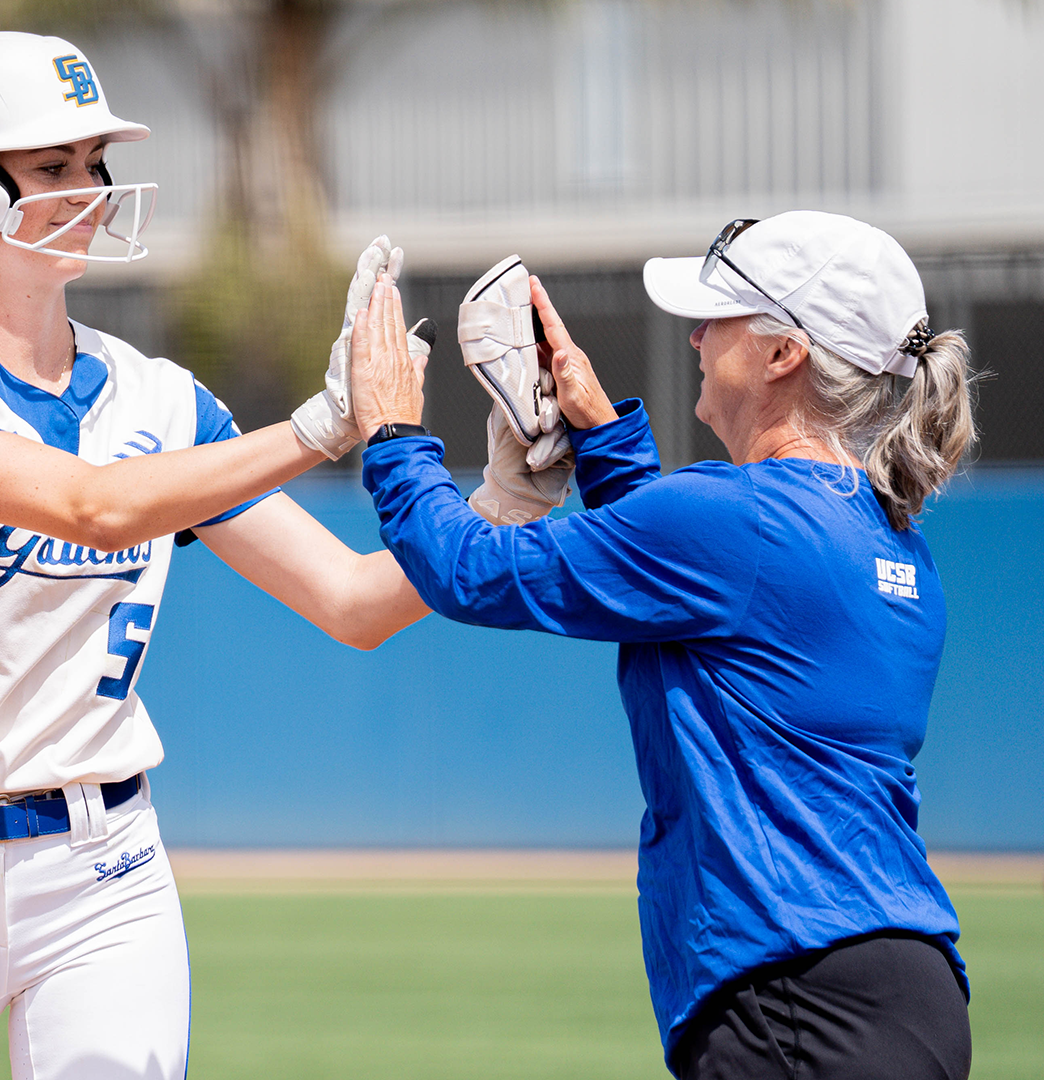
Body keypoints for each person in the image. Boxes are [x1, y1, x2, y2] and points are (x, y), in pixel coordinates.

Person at [0, 31, 430, 1080]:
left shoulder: (159, 398)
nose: (89, 187)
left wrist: (499, 503)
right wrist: (319, 428)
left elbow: (353, 600)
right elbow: (90, 506)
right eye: (52, 167)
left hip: (101, 871)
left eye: (93, 163)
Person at [348, 210, 976, 1080]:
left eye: (720, 314)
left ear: (783, 354)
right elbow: (699, 595)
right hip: (904, 990)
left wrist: (391, 430)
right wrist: (603, 441)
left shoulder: (738, 518)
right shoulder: (894, 543)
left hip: (792, 998)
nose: (695, 333)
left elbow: (467, 570)